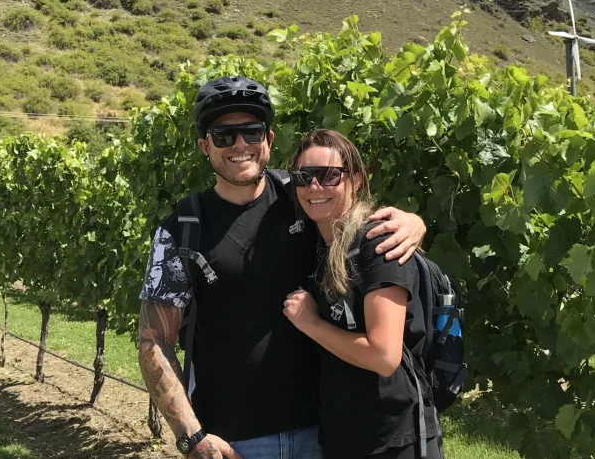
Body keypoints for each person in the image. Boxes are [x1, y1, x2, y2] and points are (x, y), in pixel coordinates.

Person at [137, 76, 427, 459]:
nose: (240, 145)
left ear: (269, 140)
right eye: (224, 136)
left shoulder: (303, 195)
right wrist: (192, 436)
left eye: (251, 132)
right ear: (204, 147)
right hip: (234, 443)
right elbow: (153, 340)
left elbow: (357, 219)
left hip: (323, 434)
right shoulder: (182, 229)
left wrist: (411, 222)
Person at [283, 129, 443, 459]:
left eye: (329, 176)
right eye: (303, 176)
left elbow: (383, 357)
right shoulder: (318, 244)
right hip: (342, 435)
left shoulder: (379, 245)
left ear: (355, 180)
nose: (314, 187)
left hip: (394, 438)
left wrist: (311, 324)